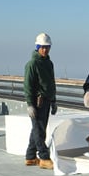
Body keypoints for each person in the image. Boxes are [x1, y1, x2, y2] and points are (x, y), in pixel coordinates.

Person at [24, 32, 58, 168]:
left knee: (38, 129)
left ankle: (30, 156)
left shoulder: (49, 63)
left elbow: (51, 83)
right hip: (37, 102)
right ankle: (44, 157)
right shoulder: (32, 64)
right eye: (43, 47)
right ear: (37, 47)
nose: (45, 50)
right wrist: (30, 104)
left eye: (47, 47)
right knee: (39, 130)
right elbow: (28, 85)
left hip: (47, 101)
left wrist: (54, 100)